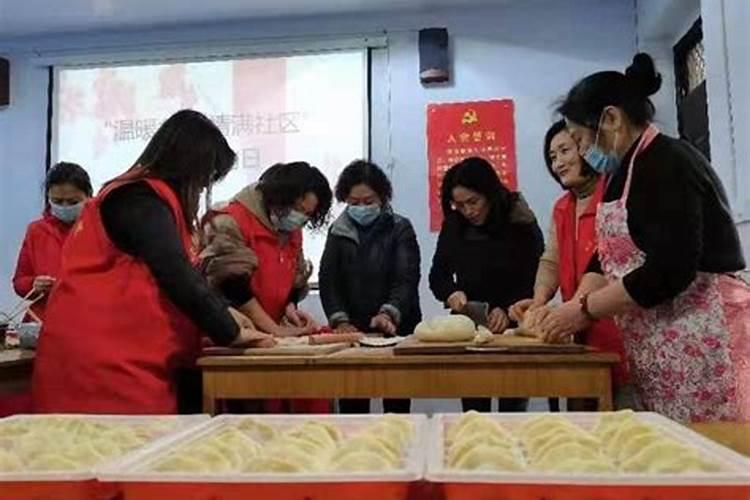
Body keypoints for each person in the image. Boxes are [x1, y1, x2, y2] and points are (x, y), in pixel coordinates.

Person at [537, 53, 749, 422]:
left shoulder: (667, 162)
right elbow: (606, 257)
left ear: (612, 119)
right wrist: (574, 306)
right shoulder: (621, 175)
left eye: (580, 139)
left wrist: (584, 310)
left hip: (706, 335)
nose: (582, 151)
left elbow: (670, 269)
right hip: (665, 343)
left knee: (720, 455)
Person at [32, 110, 273, 415]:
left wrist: (224, 312)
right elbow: (173, 270)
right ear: (191, 168)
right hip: (105, 360)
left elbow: (183, 272)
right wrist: (228, 330)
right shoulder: (136, 198)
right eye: (203, 182)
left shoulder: (153, 201)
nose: (201, 191)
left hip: (127, 356)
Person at [509, 121, 630, 411]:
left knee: (624, 426)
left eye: (565, 150)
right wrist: (538, 303)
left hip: (621, 334)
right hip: (578, 339)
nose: (558, 163)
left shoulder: (614, 196)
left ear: (588, 147)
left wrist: (574, 308)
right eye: (552, 157)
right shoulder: (562, 207)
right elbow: (551, 260)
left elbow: (604, 262)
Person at [201, 161, 332, 413]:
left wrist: (289, 308)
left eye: (307, 214)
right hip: (234, 340)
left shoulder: (291, 229)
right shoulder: (229, 221)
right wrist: (272, 329)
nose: (300, 218)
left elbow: (293, 277)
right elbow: (231, 286)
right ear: (278, 197)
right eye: (296, 209)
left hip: (270, 342)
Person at [429, 157, 544, 412]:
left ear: (490, 194)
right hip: (472, 327)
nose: (468, 211)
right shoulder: (455, 224)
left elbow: (535, 274)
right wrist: (451, 293)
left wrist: (506, 308)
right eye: (459, 205)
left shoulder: (518, 219)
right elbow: (438, 276)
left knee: (511, 409)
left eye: (473, 202)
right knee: (474, 410)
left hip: (516, 325)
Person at [319, 160, 421, 414]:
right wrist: (340, 321)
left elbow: (406, 278)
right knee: (353, 408)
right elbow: (329, 281)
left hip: (397, 329)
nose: (361, 207)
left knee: (396, 409)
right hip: (352, 333)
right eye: (354, 202)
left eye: (368, 201)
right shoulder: (338, 231)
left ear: (383, 198)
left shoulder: (400, 227)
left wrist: (389, 312)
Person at [13, 162, 93, 321]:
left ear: (89, 196)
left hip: (89, 319)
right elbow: (19, 282)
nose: (64, 207)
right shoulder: (36, 231)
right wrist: (34, 285)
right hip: (43, 321)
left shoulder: (103, 229)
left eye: (73, 202)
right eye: (57, 201)